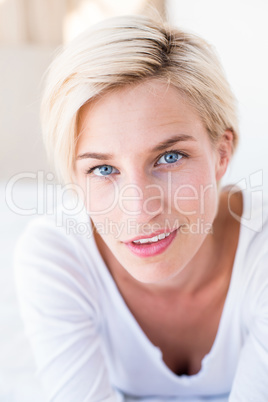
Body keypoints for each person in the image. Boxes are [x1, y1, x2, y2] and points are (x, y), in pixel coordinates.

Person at [14, 14, 268, 402]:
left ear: (221, 153)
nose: (139, 209)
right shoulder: (56, 258)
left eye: (169, 158)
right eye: (103, 168)